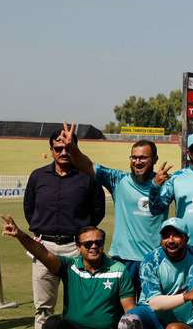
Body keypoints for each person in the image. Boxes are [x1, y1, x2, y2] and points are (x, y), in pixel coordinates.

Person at [2, 218, 137, 329]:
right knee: (51, 324)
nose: (93, 247)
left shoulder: (118, 270)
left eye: (98, 242)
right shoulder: (69, 266)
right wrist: (20, 235)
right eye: (88, 243)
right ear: (78, 247)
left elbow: (131, 311)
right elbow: (42, 253)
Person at [21, 129, 105, 329]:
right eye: (58, 148)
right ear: (51, 150)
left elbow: (97, 211)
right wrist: (40, 233)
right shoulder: (38, 176)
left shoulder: (86, 179)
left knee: (76, 307)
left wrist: (80, 239)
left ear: (74, 149)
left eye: (68, 148)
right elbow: (29, 209)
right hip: (44, 246)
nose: (63, 152)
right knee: (43, 306)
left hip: (75, 248)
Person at [57, 122, 163, 297]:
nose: (137, 162)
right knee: (120, 312)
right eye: (134, 157)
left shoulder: (165, 183)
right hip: (122, 260)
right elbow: (88, 166)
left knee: (150, 310)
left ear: (155, 160)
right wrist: (72, 148)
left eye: (143, 158)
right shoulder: (118, 180)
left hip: (154, 260)